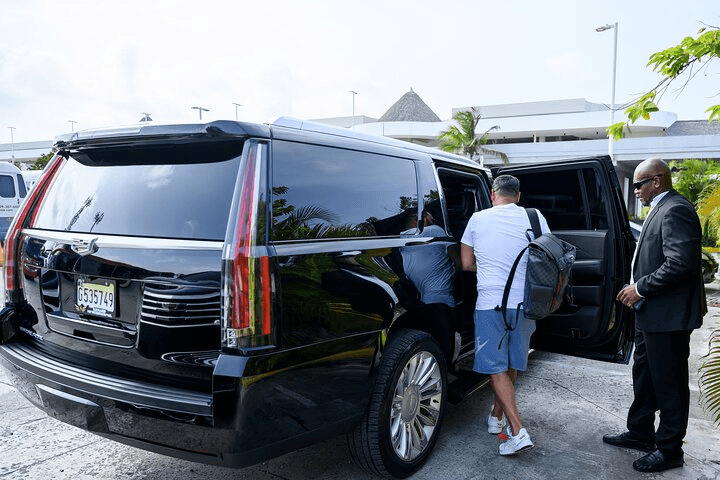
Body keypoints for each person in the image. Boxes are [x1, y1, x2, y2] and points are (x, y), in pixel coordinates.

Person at [605, 157, 706, 473]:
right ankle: (640, 433)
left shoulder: (675, 209)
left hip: (669, 317)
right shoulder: (660, 209)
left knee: (670, 383)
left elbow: (681, 264)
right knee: (645, 374)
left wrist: (640, 288)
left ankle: (670, 449)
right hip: (652, 313)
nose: (635, 190)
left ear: (658, 180)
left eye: (639, 184)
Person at [460, 174, 549, 456]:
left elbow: (466, 263)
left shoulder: (477, 219)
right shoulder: (535, 218)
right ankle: (496, 417)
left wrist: (489, 267)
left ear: (492, 194)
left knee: (495, 366)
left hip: (490, 303)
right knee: (511, 361)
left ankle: (517, 430)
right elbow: (547, 258)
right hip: (525, 303)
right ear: (518, 196)